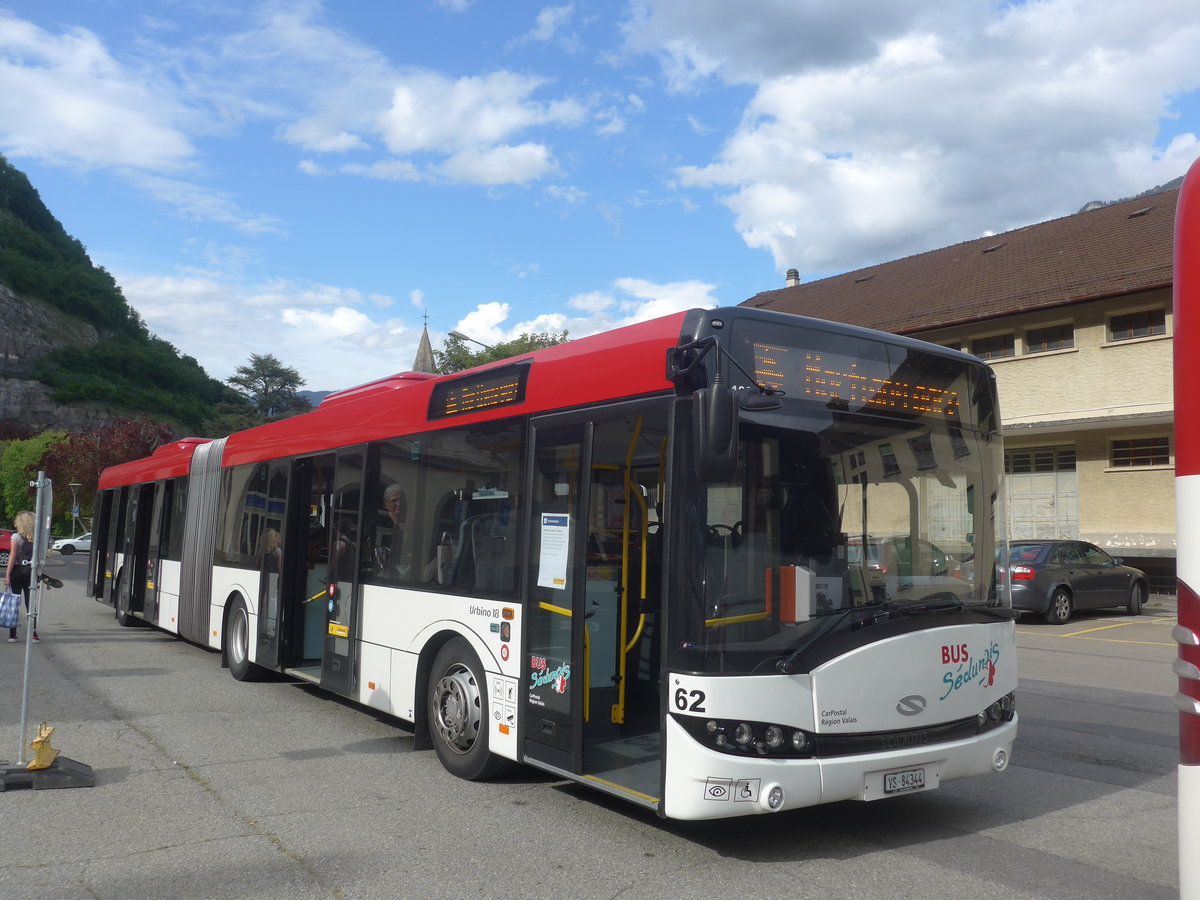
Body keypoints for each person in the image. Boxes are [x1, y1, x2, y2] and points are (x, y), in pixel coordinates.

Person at [6, 510, 37, 643]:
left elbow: (13, 556)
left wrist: (7, 575)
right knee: (30, 603)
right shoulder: (37, 537)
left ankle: (12, 635)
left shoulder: (16, 537)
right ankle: (34, 634)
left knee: (14, 603)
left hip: (17, 571)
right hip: (31, 572)